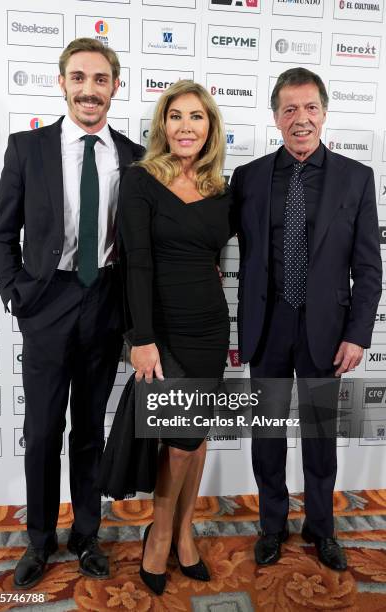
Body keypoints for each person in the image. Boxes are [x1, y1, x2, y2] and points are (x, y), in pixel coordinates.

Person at [0, 38, 144, 589]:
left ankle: (87, 535)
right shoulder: (26, 148)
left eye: (101, 80)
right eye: (79, 78)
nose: (89, 90)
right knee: (43, 429)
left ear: (115, 87)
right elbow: (1, 234)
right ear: (63, 83)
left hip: (103, 303)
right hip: (46, 305)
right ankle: (37, 540)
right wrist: (14, 295)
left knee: (88, 432)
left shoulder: (132, 156)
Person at [231, 67, 382, 571]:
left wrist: (358, 334)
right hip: (266, 326)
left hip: (326, 332)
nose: (301, 119)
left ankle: (322, 528)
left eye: (310, 107)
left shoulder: (356, 178)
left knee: (320, 437)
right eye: (290, 109)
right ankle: (271, 527)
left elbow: (368, 267)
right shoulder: (248, 178)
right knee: (268, 435)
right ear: (275, 117)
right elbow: (210, 238)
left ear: (324, 113)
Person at [116, 80, 231, 594]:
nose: (186, 126)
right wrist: (142, 337)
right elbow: (136, 261)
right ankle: (160, 534)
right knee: (180, 439)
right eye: (176, 116)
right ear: (163, 125)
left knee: (196, 433)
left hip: (210, 325)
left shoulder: (222, 190)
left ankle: (185, 531)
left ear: (210, 128)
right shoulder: (140, 180)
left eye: (197, 117)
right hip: (161, 327)